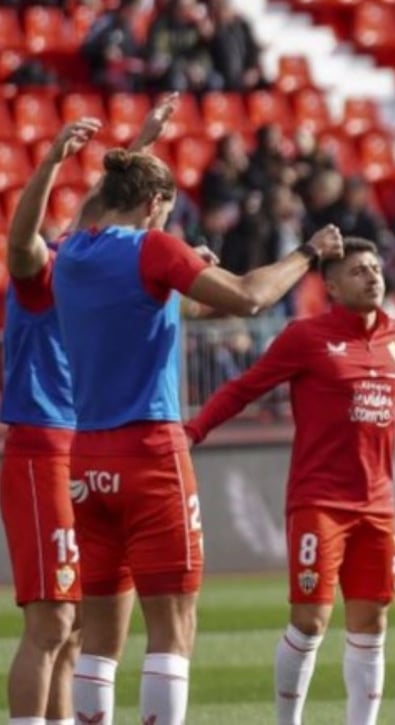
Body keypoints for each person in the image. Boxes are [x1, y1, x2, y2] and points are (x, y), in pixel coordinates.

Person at [53, 148, 344, 725]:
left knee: (99, 639)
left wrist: (183, 279)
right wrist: (309, 252)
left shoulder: (71, 253)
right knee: (173, 625)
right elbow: (251, 296)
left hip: (87, 457)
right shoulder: (154, 248)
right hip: (150, 452)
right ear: (153, 204)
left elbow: (139, 307)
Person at [183, 237, 395, 725]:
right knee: (310, 621)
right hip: (320, 502)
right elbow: (244, 387)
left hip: (377, 505)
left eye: (375, 268)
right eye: (358, 271)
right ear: (332, 288)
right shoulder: (306, 337)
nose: (372, 277)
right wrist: (193, 430)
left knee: (371, 623)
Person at [2, 97, 176, 725]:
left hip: (81, 445)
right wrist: (52, 159)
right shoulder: (45, 274)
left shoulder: (87, 263)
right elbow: (22, 240)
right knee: (51, 621)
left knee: (76, 627)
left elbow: (112, 207)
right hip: (41, 445)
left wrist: (142, 146)